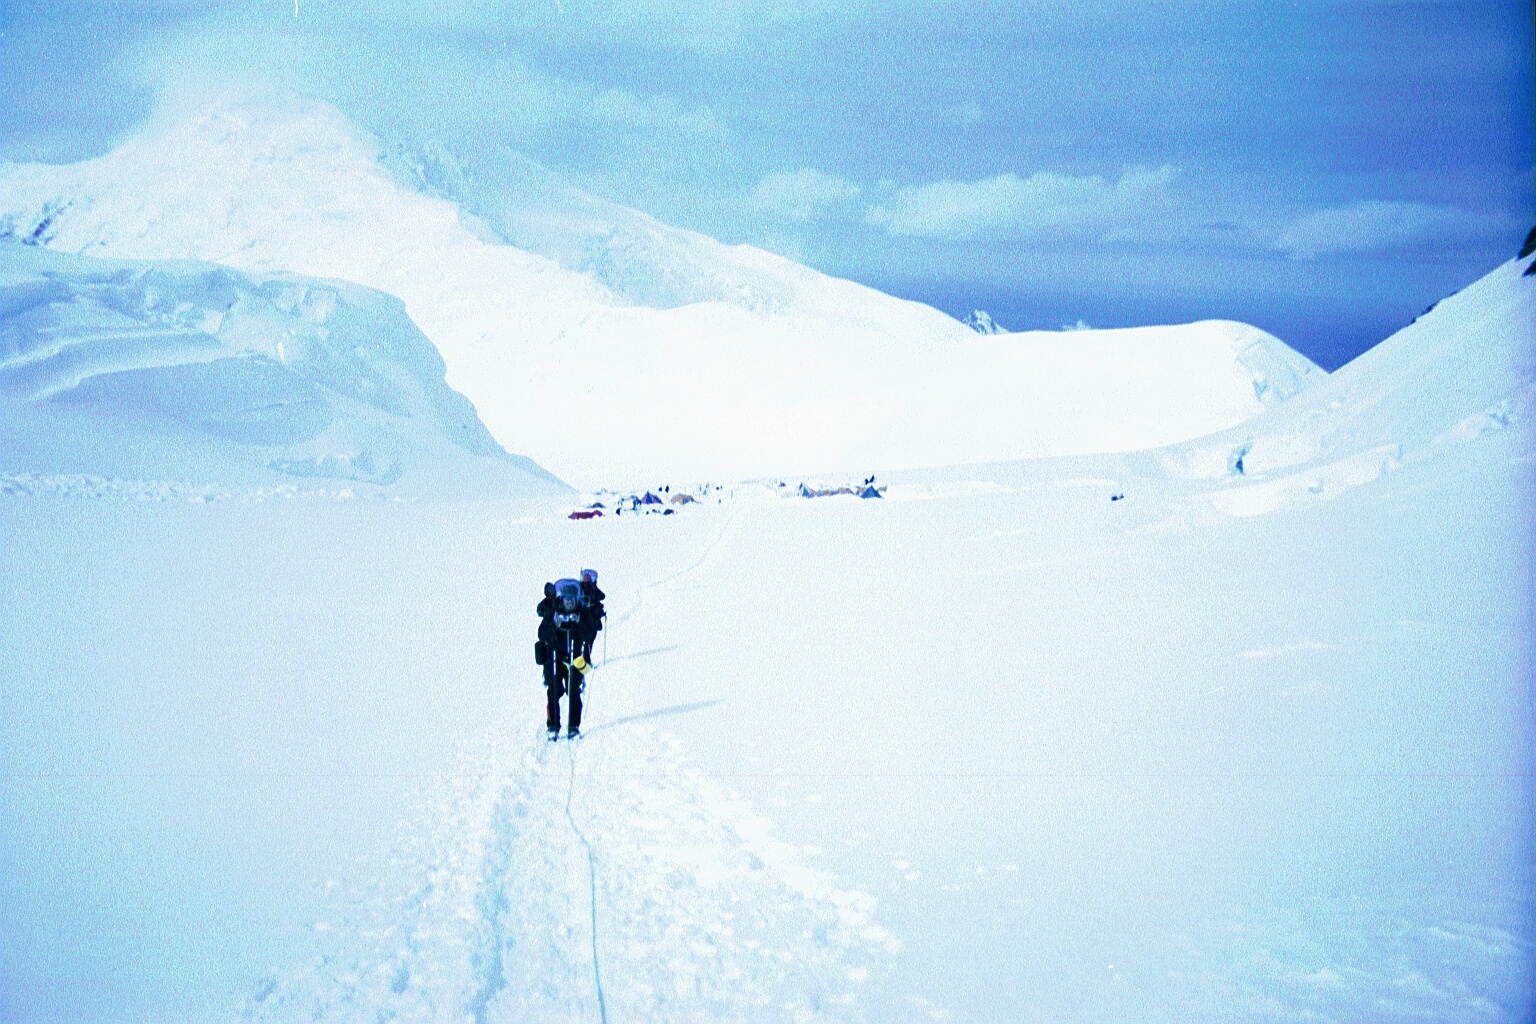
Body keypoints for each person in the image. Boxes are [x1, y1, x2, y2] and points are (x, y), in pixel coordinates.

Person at [537, 579, 588, 739]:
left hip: (575, 658)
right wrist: (554, 625)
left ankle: (573, 726)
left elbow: (589, 634)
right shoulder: (553, 611)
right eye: (567, 599)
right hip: (554, 658)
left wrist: (579, 623)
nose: (569, 602)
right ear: (562, 599)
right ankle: (552, 726)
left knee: (574, 691)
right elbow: (542, 634)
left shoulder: (581, 612)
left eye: (572, 599)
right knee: (553, 690)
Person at [577, 568, 605, 664]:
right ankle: (577, 660)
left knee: (590, 639)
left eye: (588, 577)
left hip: (592, 619)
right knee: (578, 638)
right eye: (584, 577)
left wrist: (593, 589)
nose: (586, 579)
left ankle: (586, 660)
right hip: (581, 617)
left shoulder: (593, 589)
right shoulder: (578, 588)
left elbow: (602, 596)